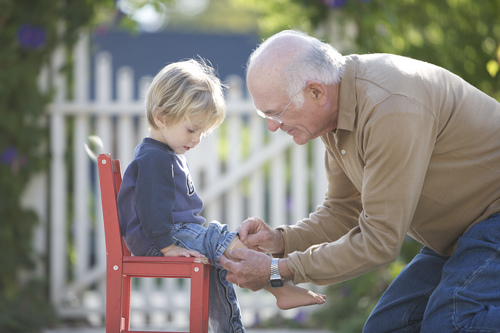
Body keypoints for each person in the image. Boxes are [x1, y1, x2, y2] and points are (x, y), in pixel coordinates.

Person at [219, 30, 500, 332]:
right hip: (465, 231)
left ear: (316, 92)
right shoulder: (336, 115)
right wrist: (281, 241)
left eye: (277, 113)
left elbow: (379, 241)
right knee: (386, 328)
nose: (272, 126)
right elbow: (343, 211)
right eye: (264, 114)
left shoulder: (390, 106)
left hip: (492, 217)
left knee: (452, 324)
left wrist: (279, 270)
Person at [117, 59, 326, 333]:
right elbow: (151, 208)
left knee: (220, 261)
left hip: (170, 234)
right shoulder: (155, 157)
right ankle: (280, 288)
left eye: (202, 132)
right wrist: (168, 246)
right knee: (218, 238)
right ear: (160, 117)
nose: (197, 139)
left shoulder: (164, 153)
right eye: (192, 129)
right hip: (160, 237)